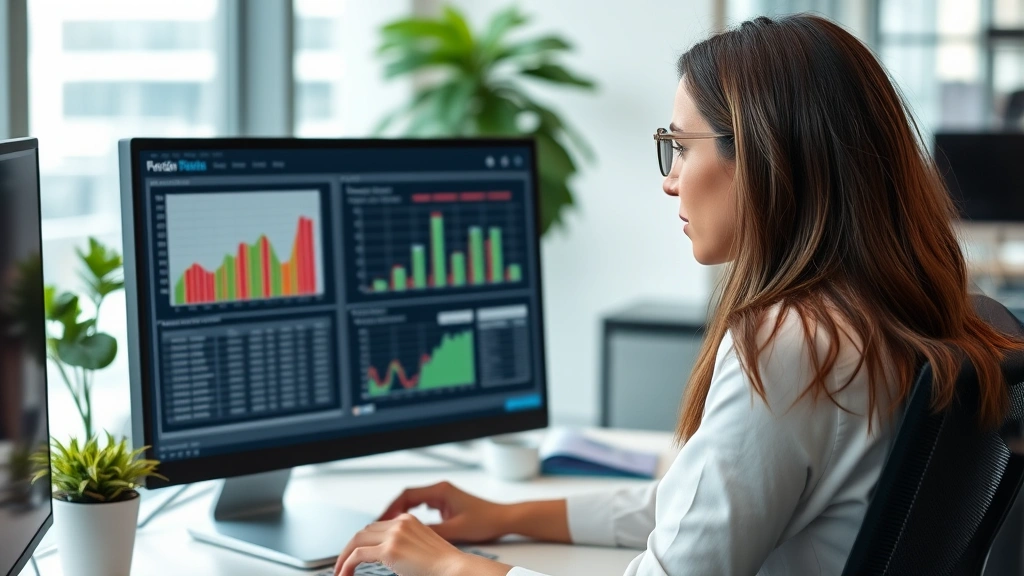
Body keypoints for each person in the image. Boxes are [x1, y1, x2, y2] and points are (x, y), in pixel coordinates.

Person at [332, 14, 1024, 576]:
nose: (670, 180)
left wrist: (453, 569)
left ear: (757, 157)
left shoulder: (792, 343)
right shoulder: (902, 318)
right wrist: (509, 516)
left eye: (680, 146)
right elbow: (699, 506)